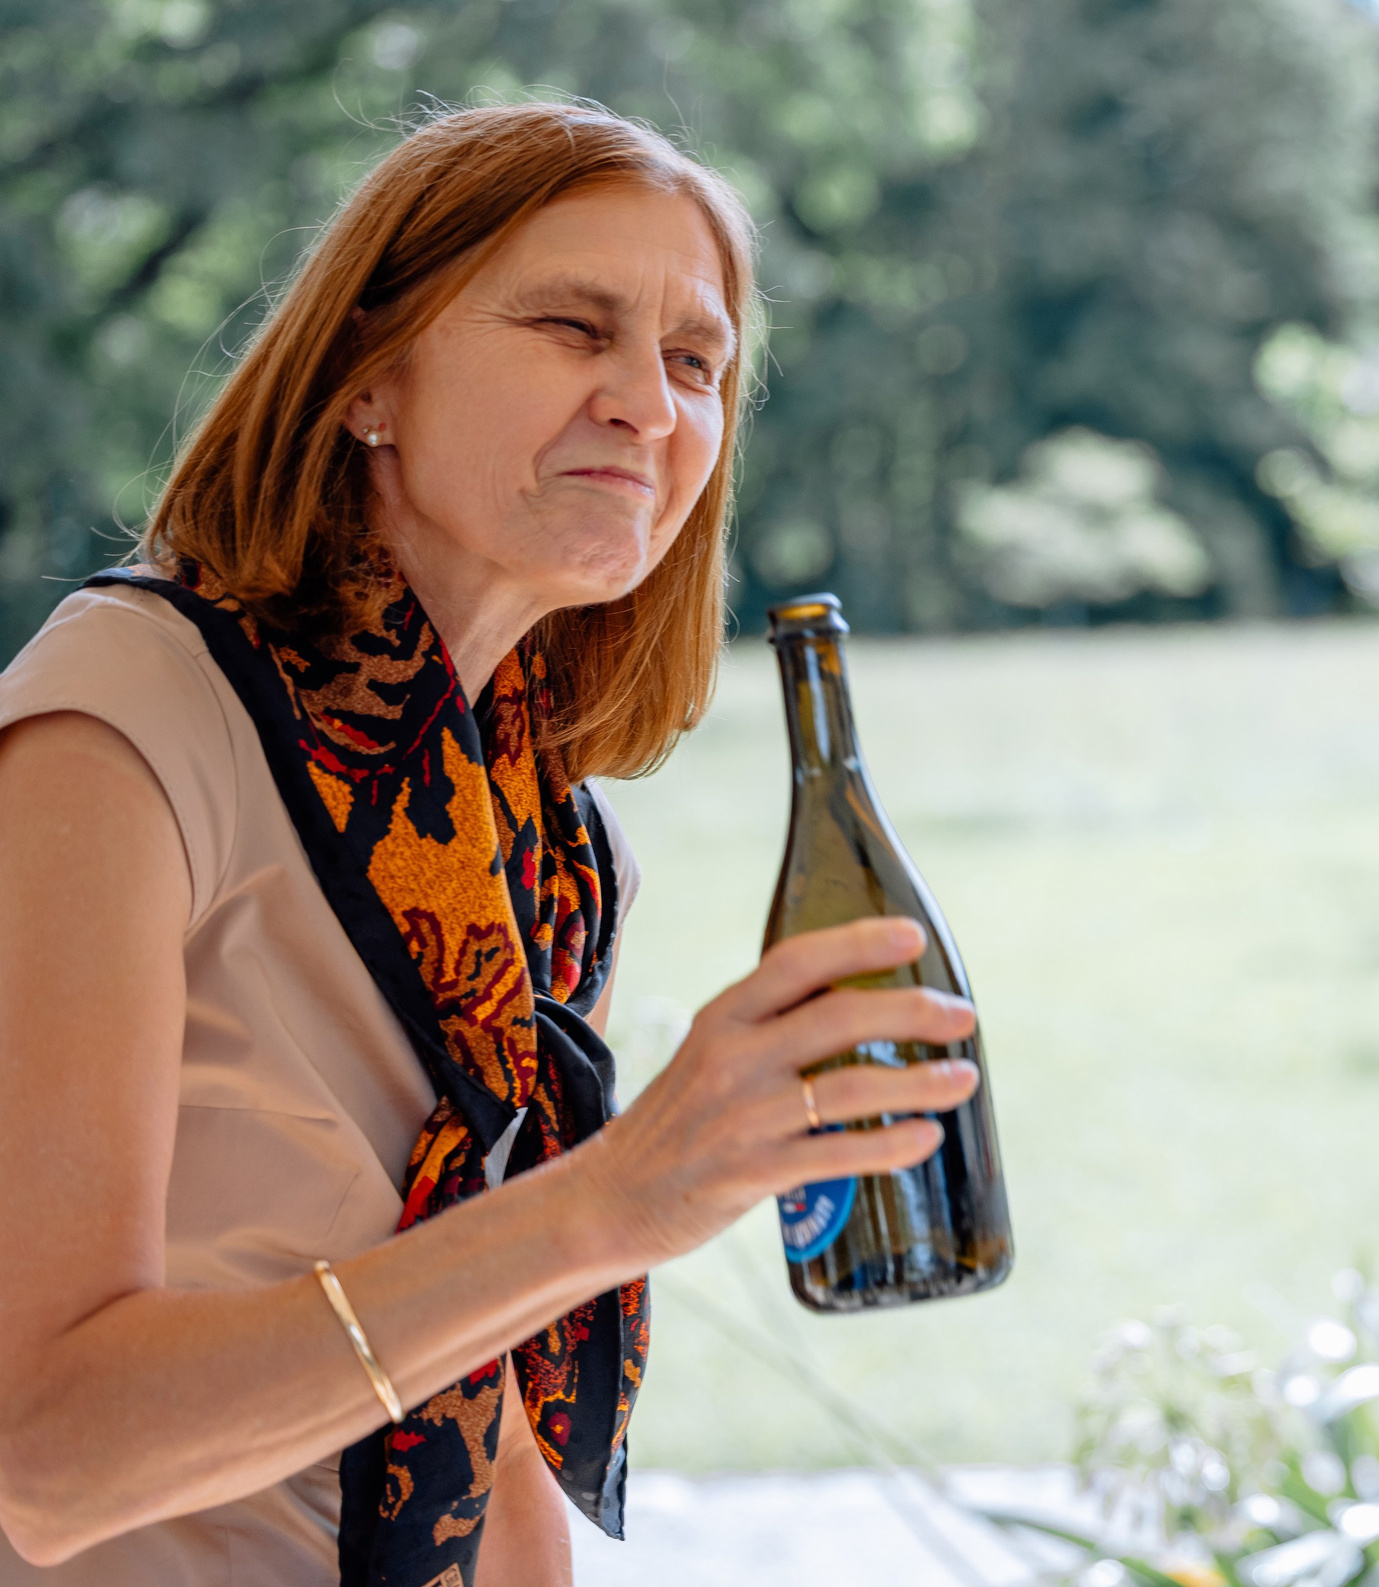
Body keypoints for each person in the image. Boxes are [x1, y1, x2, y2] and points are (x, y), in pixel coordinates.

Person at [0, 103, 984, 1586]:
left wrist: (586, 1226)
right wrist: (609, 1202)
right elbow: (45, 1459)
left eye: (694, 362)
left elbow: (489, 1411)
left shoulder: (544, 841)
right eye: (572, 327)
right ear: (367, 378)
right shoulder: (124, 722)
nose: (648, 408)